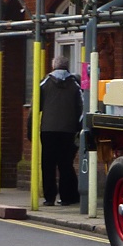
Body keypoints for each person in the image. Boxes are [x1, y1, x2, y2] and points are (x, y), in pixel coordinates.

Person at [39, 55, 83, 206]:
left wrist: (30, 128)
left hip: (48, 129)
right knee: (65, 164)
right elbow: (82, 107)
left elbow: (35, 105)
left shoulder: (45, 83)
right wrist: (79, 127)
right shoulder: (75, 84)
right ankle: (67, 197)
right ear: (67, 66)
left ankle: (49, 198)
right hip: (69, 130)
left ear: (53, 65)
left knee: (48, 164)